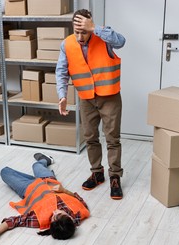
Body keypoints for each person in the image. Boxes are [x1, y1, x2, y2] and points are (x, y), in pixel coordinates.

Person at [56, 9, 126, 200]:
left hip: (109, 97)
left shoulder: (104, 37)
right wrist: (62, 95)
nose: (80, 36)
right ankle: (97, 173)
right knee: (90, 138)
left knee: (112, 138)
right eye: (76, 31)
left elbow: (121, 41)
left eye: (84, 31)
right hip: (86, 98)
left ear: (90, 26)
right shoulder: (67, 44)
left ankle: (115, 177)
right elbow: (61, 71)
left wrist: (94, 28)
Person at [0, 153, 90, 243]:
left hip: (28, 187)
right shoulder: (78, 214)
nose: (54, 212)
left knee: (4, 172)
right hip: (48, 180)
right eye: (59, 214)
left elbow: (14, 221)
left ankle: (33, 178)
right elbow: (78, 198)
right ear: (70, 218)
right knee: (36, 165)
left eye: (53, 217)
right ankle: (46, 160)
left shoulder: (38, 219)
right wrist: (64, 190)